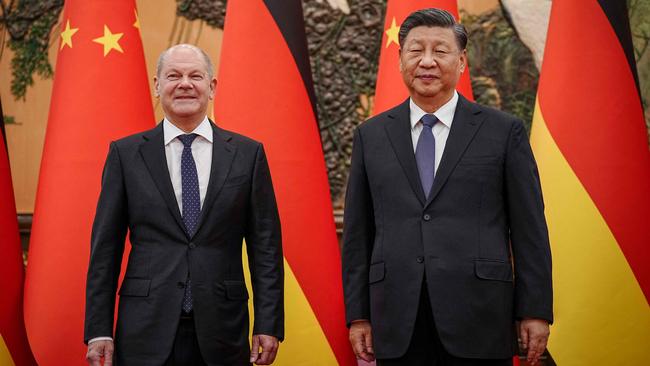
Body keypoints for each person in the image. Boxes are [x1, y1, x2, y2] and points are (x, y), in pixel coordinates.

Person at [341, 8, 552, 366]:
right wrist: (358, 315)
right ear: (400, 60)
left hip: (480, 316)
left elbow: (529, 227)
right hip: (397, 318)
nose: (427, 61)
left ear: (461, 61)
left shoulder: (503, 132)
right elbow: (359, 232)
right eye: (416, 50)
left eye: (440, 51)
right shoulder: (371, 136)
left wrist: (534, 310)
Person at [84, 44, 284, 366]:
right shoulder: (126, 154)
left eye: (196, 76)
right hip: (145, 327)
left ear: (212, 87)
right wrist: (98, 329)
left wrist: (269, 322)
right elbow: (104, 249)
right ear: (157, 85)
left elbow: (266, 248)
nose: (185, 84)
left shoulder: (248, 155)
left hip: (223, 328)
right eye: (173, 76)